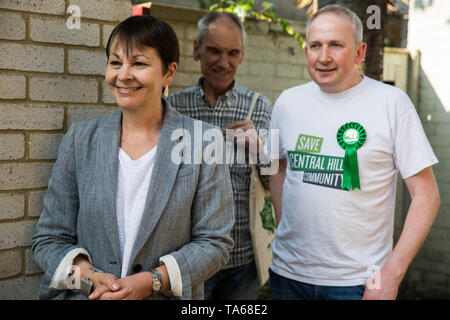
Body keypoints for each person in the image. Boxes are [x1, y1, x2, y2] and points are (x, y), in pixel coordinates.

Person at [31, 15, 235, 300]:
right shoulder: (81, 139)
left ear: (169, 72)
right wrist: (90, 278)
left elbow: (215, 243)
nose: (123, 74)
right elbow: (48, 239)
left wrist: (152, 281)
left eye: (138, 63)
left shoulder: (204, 141)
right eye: (115, 63)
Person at [267, 5, 440, 300]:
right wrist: (286, 226)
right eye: (315, 46)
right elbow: (278, 168)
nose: (323, 57)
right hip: (288, 277)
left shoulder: (392, 103)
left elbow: (427, 196)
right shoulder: (287, 102)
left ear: (360, 53)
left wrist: (391, 274)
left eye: (336, 45)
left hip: (359, 283)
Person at [168, 11, 272, 300]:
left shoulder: (258, 107)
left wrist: (259, 150)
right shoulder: (173, 107)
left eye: (232, 53)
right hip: (187, 256)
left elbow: (272, 181)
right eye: (214, 50)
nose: (223, 62)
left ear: (242, 55)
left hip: (241, 259)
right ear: (196, 49)